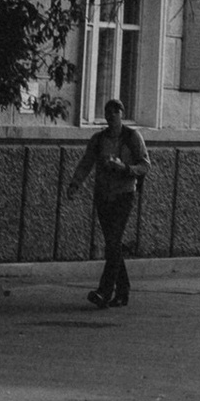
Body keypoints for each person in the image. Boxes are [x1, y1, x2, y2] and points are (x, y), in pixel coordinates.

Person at [68, 97, 149, 309]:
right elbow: (86, 163)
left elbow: (145, 165)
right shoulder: (99, 139)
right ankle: (123, 291)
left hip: (124, 194)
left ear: (122, 114)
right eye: (108, 114)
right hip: (103, 195)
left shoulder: (132, 137)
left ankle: (104, 291)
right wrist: (75, 184)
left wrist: (126, 168)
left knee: (113, 243)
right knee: (113, 245)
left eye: (115, 113)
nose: (112, 117)